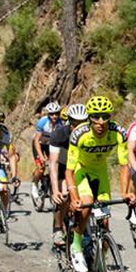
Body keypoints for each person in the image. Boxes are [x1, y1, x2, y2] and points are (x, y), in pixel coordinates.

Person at [65, 96, 134, 272]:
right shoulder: (79, 134)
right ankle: (76, 245)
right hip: (81, 170)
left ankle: (100, 264)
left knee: (104, 220)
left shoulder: (118, 133)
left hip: (100, 172)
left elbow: (124, 165)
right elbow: (69, 171)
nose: (101, 121)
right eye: (96, 117)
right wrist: (73, 198)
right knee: (86, 205)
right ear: (89, 118)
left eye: (105, 116)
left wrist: (126, 192)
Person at [47, 103, 88, 248]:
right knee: (63, 195)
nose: (78, 127)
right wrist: (55, 190)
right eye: (75, 123)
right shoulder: (59, 134)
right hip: (63, 168)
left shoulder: (90, 134)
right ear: (69, 121)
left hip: (80, 168)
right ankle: (58, 228)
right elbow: (54, 163)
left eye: (83, 123)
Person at [32, 102, 62, 198]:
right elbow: (36, 140)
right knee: (41, 168)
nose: (54, 116)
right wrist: (41, 156)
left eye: (57, 113)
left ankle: (48, 184)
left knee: (54, 167)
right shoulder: (42, 122)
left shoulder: (61, 124)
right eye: (52, 114)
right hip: (39, 145)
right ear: (48, 114)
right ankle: (35, 184)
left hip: (51, 146)